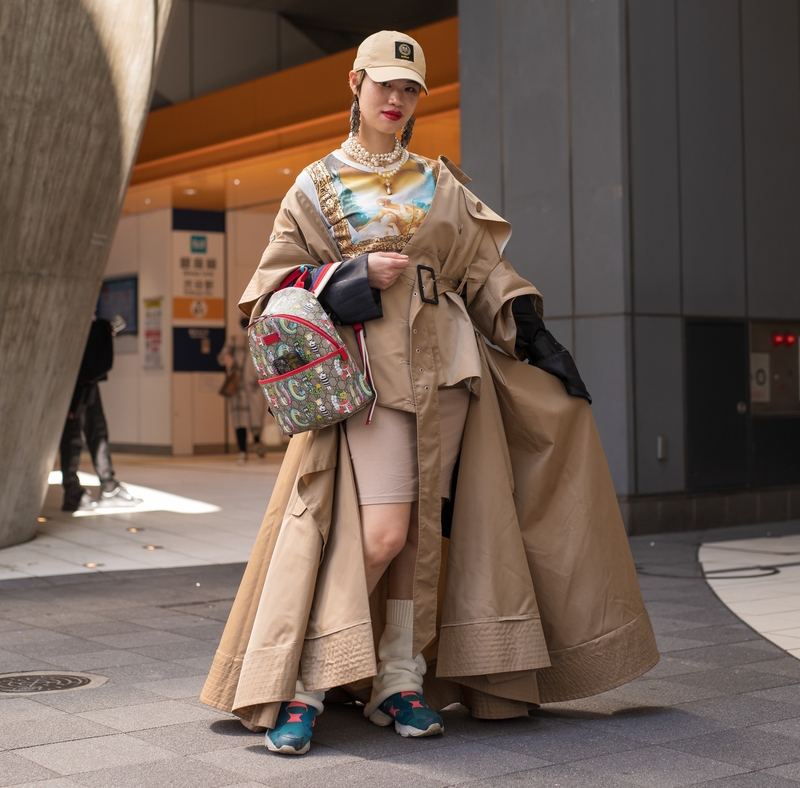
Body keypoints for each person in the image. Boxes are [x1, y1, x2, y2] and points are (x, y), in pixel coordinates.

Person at [201, 31, 658, 755]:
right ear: (354, 83)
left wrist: (537, 338)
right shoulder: (316, 184)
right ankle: (308, 685)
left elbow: (483, 271)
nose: (396, 99)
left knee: (421, 535)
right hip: (369, 379)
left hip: (449, 367)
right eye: (384, 84)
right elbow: (268, 291)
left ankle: (399, 678)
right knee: (381, 533)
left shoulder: (442, 180)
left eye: (409, 89)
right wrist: (347, 278)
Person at [60, 317, 142, 511]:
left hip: (88, 375)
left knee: (97, 429)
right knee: (72, 435)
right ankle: (72, 491)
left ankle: (108, 485)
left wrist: (103, 330)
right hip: (73, 372)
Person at [218, 317, 267, 463]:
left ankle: (256, 442)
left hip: (254, 386)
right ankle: (242, 450)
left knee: (254, 417)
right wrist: (229, 361)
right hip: (240, 386)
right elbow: (223, 356)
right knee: (240, 419)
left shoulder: (260, 336)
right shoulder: (236, 339)